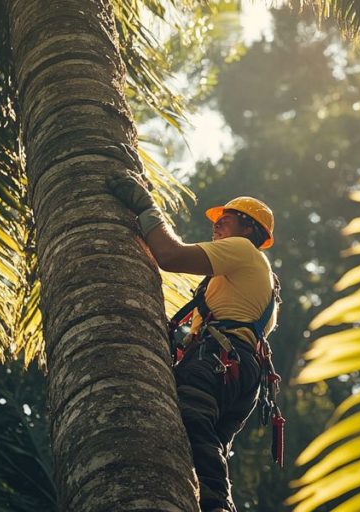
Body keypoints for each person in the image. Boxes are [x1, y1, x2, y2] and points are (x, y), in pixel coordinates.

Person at [109, 171, 282, 512]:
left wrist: (145, 207)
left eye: (226, 220)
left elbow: (170, 256)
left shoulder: (242, 251)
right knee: (201, 448)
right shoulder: (253, 278)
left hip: (219, 361)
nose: (216, 226)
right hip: (240, 375)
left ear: (248, 229)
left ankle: (218, 506)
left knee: (192, 422)